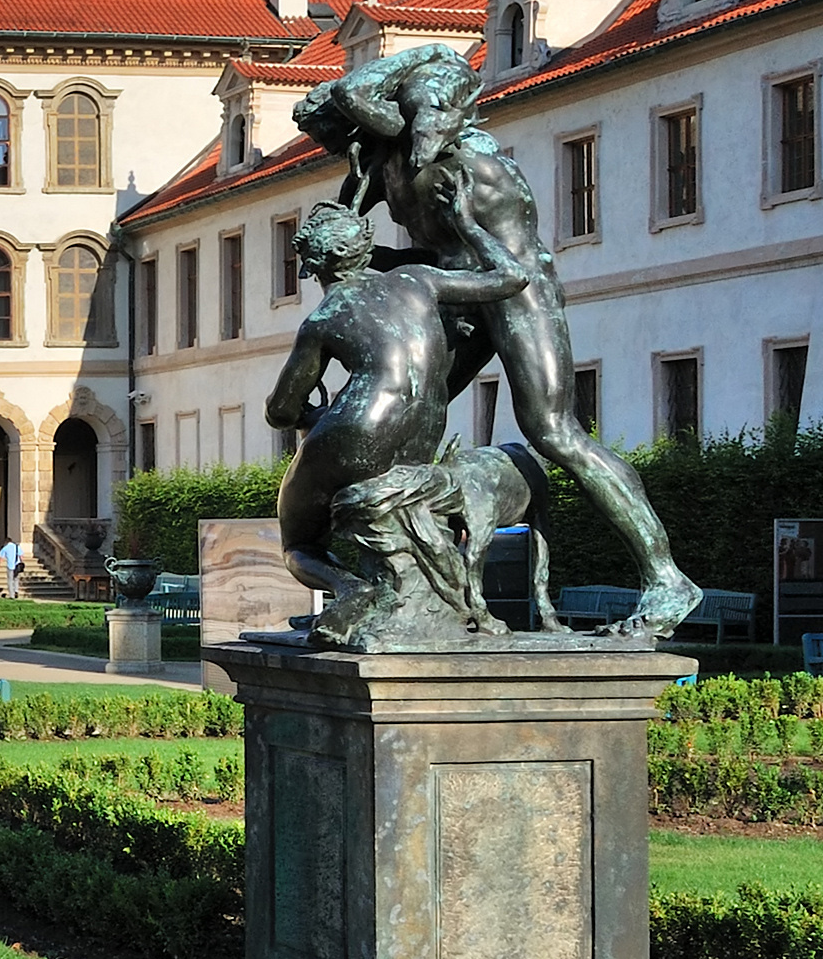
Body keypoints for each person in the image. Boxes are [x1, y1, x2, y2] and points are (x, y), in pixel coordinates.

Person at [296, 46, 700, 638]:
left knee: (554, 432)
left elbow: (500, 260)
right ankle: (400, 593)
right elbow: (358, 235)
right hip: (459, 295)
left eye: (339, 136)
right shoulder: (384, 165)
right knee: (405, 420)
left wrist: (426, 53)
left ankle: (666, 577)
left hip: (517, 292)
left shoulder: (473, 163)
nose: (338, 149)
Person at [264, 181, 529, 644]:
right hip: (423, 429)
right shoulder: (417, 280)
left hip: (354, 432)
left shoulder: (322, 321)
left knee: (299, 541)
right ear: (364, 249)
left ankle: (350, 589)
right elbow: (511, 278)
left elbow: (282, 410)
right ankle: (401, 599)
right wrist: (468, 225)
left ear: (310, 267)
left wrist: (301, 415)